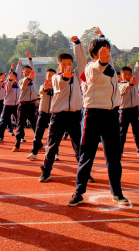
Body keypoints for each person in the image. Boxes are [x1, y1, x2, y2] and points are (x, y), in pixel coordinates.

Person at [71, 28, 128, 207]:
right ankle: (79, 192)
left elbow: (106, 62)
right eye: (103, 50)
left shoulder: (109, 66)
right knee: (87, 154)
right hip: (93, 114)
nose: (107, 53)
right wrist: (98, 59)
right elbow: (96, 68)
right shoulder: (91, 67)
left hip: (111, 114)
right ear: (95, 53)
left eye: (108, 50)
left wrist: (102, 36)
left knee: (113, 156)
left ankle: (117, 193)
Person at [38, 36, 87, 182]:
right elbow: (61, 84)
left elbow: (83, 61)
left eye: (70, 63)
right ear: (59, 65)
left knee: (79, 145)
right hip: (59, 116)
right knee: (52, 145)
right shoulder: (56, 77)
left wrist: (78, 45)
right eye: (64, 64)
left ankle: (84, 172)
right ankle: (46, 171)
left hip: (74, 115)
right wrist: (66, 77)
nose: (67, 66)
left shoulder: (78, 76)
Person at [118, 54, 139, 157]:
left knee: (137, 132)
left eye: (129, 74)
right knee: (122, 132)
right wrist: (130, 84)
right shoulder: (120, 85)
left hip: (135, 110)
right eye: (125, 74)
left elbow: (137, 71)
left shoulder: (135, 81)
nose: (127, 76)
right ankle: (120, 151)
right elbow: (125, 88)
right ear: (121, 75)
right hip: (124, 110)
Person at [26, 68, 56, 160]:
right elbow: (42, 92)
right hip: (43, 112)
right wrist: (46, 88)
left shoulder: (58, 87)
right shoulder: (42, 86)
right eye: (49, 75)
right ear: (45, 77)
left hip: (54, 113)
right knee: (38, 133)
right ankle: (34, 152)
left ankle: (55, 153)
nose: (51, 77)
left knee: (54, 134)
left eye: (53, 75)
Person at [12, 52, 37, 152]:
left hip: (32, 105)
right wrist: (29, 77)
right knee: (20, 125)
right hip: (23, 105)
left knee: (35, 126)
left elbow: (33, 68)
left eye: (29, 72)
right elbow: (23, 86)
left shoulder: (33, 80)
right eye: (26, 72)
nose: (28, 73)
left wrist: (30, 58)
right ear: (23, 73)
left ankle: (38, 144)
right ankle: (17, 145)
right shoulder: (21, 81)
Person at [0, 61, 22, 143]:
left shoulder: (18, 84)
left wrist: (19, 66)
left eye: (14, 76)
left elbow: (18, 74)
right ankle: (0, 137)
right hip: (7, 105)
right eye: (11, 76)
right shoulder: (8, 84)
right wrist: (11, 70)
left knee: (20, 121)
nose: (13, 77)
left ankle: (21, 137)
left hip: (16, 105)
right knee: (3, 122)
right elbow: (9, 80)